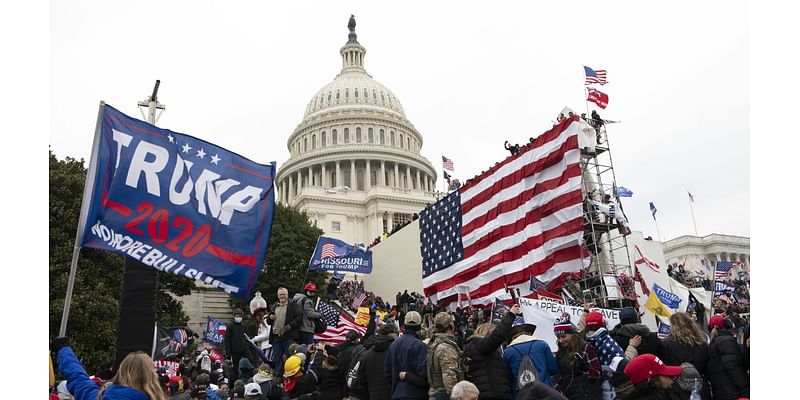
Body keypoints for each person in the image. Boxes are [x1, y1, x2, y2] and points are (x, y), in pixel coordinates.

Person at [51, 336, 166, 400]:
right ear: (152, 377)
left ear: (121, 372)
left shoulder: (101, 397)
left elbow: (78, 378)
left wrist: (64, 350)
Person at [463, 303, 518, 400]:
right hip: (491, 394)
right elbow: (497, 336)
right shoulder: (479, 345)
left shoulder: (475, 347)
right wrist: (511, 315)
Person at [657, 312, 711, 400]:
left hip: (677, 388)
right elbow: (707, 369)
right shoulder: (702, 344)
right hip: (699, 386)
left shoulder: (666, 344)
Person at [503, 315, 558, 398]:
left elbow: (508, 378)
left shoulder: (508, 352)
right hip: (545, 392)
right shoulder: (541, 344)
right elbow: (554, 369)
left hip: (522, 395)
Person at [553, 312, 602, 400]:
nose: (560, 340)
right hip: (569, 394)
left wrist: (585, 368)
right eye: (558, 337)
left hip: (587, 395)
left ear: (572, 334)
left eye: (563, 336)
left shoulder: (586, 347)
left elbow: (597, 373)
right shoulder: (561, 351)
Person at [386, 310, 429, 399]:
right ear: (419, 326)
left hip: (396, 394)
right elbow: (424, 375)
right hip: (417, 395)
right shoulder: (421, 346)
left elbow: (387, 374)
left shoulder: (393, 346)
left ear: (404, 326)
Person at [706, 314, 749, 400]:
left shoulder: (714, 343)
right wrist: (746, 390)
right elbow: (733, 367)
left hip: (721, 392)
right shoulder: (725, 341)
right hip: (733, 392)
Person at [267, 287, 304, 379]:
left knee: (290, 356)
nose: (282, 296)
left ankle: (290, 376)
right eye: (280, 295)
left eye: (284, 294)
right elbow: (268, 321)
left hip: (289, 336)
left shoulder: (293, 305)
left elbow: (299, 317)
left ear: (287, 295)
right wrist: (270, 318)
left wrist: (289, 326)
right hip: (276, 336)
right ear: (278, 296)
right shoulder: (274, 306)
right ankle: (279, 377)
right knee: (277, 358)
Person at [357, 322, 399, 400]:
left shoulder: (366, 355)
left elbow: (361, 380)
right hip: (392, 395)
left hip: (373, 395)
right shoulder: (396, 353)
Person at [427, 312, 463, 400]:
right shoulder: (445, 347)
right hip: (443, 394)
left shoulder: (435, 342)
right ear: (451, 325)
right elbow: (449, 376)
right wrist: (456, 396)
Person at [224, 308, 251, 382]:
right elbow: (227, 340)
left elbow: (246, 337)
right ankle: (236, 382)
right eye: (236, 316)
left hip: (244, 349)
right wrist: (228, 353)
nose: (238, 317)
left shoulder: (243, 326)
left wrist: (247, 347)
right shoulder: (230, 327)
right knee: (235, 368)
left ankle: (247, 378)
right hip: (234, 351)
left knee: (250, 362)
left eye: (239, 316)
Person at [336, 329, 362, 398]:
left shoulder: (338, 348)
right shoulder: (356, 350)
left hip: (338, 379)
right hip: (349, 379)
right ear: (355, 340)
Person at [250, 291, 273, 366]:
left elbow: (269, 333)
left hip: (268, 347)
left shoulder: (266, 319)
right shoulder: (262, 322)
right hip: (264, 348)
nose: (256, 319)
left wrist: (255, 339)